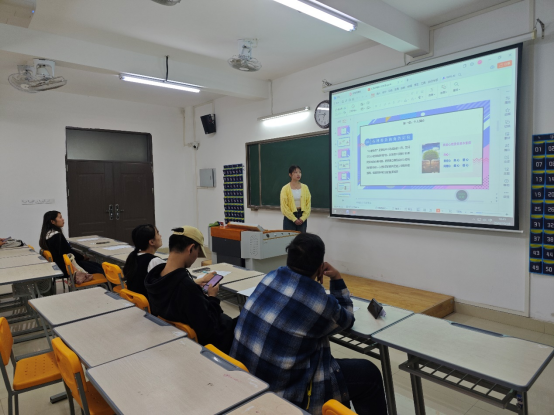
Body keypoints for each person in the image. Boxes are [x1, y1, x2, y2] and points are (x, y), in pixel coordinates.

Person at [231, 233, 388, 415]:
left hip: (245, 384)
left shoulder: (271, 276)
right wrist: (337, 278)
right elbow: (347, 320)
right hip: (281, 396)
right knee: (369, 374)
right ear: (320, 268)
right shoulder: (319, 302)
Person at [145, 226, 238, 354]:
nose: (196, 257)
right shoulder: (186, 288)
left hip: (179, 337)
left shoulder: (155, 278)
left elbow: (174, 287)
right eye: (197, 252)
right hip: (214, 341)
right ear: (190, 248)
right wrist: (212, 297)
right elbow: (209, 329)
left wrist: (195, 284)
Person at [39, 211, 104, 276]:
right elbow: (68, 252)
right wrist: (82, 257)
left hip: (60, 265)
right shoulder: (56, 235)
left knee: (95, 265)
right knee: (100, 269)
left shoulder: (46, 235)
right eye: (60, 217)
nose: (63, 219)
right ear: (52, 221)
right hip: (67, 267)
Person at [123, 225, 164, 299]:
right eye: (158, 233)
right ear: (151, 242)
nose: (160, 236)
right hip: (150, 303)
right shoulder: (155, 261)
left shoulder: (133, 256)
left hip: (136, 302)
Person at [280, 165, 311, 233]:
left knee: (301, 238)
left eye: (300, 172)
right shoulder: (285, 188)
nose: (298, 174)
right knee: (289, 238)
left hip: (302, 216)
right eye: (295, 172)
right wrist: (294, 219)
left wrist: (303, 218)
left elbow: (308, 204)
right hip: (289, 217)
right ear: (290, 174)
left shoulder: (305, 187)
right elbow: (284, 207)